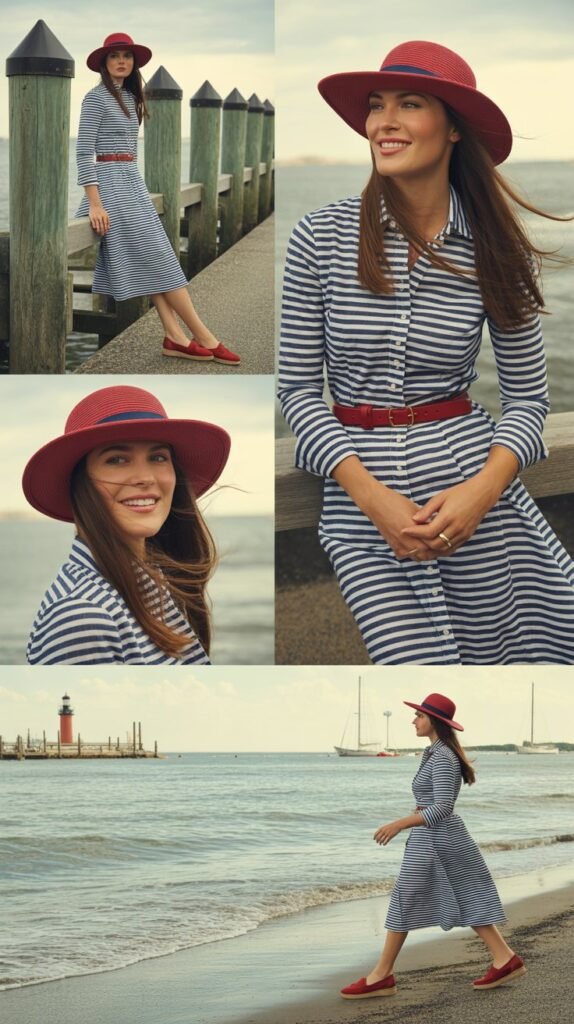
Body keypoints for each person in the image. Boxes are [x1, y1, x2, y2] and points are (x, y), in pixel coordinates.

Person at [278, 40, 574, 665]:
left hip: (477, 495)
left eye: (409, 104)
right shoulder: (320, 237)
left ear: (454, 127)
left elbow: (528, 401)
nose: (383, 123)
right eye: (376, 105)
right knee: (408, 661)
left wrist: (481, 493)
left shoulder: (496, 248)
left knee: (522, 657)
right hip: (362, 506)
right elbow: (298, 393)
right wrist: (372, 499)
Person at [22, 385, 231, 664]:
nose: (144, 477)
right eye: (117, 460)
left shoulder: (151, 580)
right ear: (79, 482)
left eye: (158, 457)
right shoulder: (83, 618)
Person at [341, 692, 526, 999]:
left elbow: (442, 808)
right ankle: (505, 958)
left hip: (436, 839)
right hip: (437, 837)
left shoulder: (441, 756)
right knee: (463, 896)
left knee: (404, 898)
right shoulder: (436, 753)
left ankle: (381, 976)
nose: (413, 720)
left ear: (434, 721)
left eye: (419, 715)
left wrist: (399, 823)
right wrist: (415, 815)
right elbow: (435, 804)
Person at [77, 32, 240, 365]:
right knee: (161, 259)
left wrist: (132, 187)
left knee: (152, 260)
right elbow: (83, 152)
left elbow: (129, 151)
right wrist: (95, 203)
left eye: (127, 56)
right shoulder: (95, 99)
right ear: (104, 63)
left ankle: (174, 337)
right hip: (110, 188)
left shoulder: (130, 98)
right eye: (114, 56)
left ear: (134, 63)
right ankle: (204, 335)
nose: (121, 61)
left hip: (132, 183)